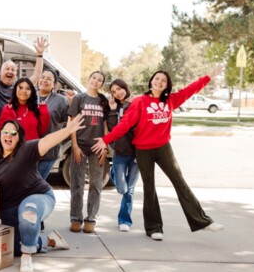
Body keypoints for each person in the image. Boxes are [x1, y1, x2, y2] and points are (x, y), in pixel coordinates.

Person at [92, 67, 225, 241]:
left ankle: (203, 221)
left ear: (166, 85)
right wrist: (106, 139)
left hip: (163, 148)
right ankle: (154, 228)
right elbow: (125, 124)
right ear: (151, 81)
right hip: (143, 149)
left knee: (180, 182)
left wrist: (209, 76)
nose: (159, 82)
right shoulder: (140, 102)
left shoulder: (171, 100)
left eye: (163, 80)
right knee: (149, 187)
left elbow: (191, 89)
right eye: (157, 79)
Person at [0, 115, 86, 272]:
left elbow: (47, 141)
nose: (8, 136)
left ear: (19, 137)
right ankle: (48, 241)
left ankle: (27, 256)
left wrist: (67, 130)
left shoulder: (26, 150)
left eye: (13, 133)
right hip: (9, 208)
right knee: (15, 247)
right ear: (0, 134)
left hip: (38, 196)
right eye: (5, 132)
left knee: (28, 215)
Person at [68, 71, 109, 234]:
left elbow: (105, 124)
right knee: (77, 184)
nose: (96, 81)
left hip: (97, 147)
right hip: (81, 145)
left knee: (96, 184)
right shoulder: (78, 99)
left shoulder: (103, 100)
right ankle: (76, 218)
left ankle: (91, 218)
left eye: (100, 80)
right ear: (88, 79)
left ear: (102, 84)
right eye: (94, 78)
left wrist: (105, 146)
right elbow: (72, 123)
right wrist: (75, 146)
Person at [105, 79, 139, 232]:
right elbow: (113, 129)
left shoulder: (136, 103)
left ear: (125, 87)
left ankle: (124, 220)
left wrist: (129, 105)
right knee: (122, 188)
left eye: (119, 89)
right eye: (113, 91)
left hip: (137, 153)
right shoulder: (114, 107)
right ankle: (113, 173)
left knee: (129, 190)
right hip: (120, 153)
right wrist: (112, 110)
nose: (117, 92)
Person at [36, 70, 69, 180]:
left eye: (49, 79)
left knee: (38, 182)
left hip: (49, 151)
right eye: (42, 77)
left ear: (54, 85)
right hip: (30, 150)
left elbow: (67, 123)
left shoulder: (61, 100)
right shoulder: (30, 96)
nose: (44, 80)